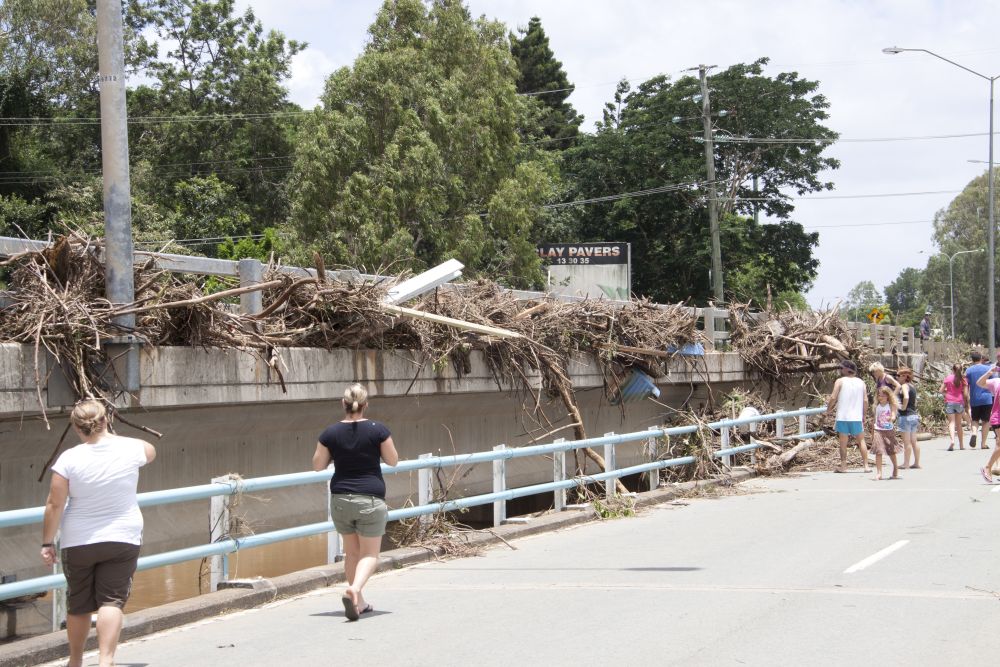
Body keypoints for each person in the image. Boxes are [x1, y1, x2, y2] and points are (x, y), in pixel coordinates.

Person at [40, 399, 156, 667]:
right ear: (106, 421)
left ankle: (76, 661)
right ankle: (106, 661)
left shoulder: (68, 459)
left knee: (79, 604)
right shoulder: (130, 449)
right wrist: (111, 435)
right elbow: (151, 450)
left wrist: (47, 542)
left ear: (77, 428)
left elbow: (54, 504)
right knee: (112, 601)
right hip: (123, 536)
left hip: (79, 541)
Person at [312, 383, 398, 621]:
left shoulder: (330, 433)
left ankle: (358, 602)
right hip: (369, 498)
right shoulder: (378, 430)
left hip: (340, 499)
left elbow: (318, 465)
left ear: (343, 404)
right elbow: (393, 460)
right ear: (365, 405)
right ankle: (356, 589)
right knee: (370, 555)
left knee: (351, 554)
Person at [827, 359, 869, 473]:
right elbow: (865, 400)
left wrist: (828, 410)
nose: (840, 370)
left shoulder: (840, 381)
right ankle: (866, 466)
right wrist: (864, 414)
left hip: (843, 417)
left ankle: (844, 466)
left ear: (846, 369)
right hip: (856, 417)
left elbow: (833, 397)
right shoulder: (861, 382)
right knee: (861, 441)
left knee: (843, 443)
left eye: (841, 368)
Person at [975, 355, 1000, 483]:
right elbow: (979, 383)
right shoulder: (996, 382)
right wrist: (989, 372)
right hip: (998, 417)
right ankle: (987, 467)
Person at [870, 386, 902, 480]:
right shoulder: (877, 406)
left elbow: (893, 415)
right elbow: (874, 419)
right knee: (878, 451)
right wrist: (873, 432)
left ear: (888, 396)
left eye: (883, 396)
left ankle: (895, 469)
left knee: (891, 451)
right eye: (879, 395)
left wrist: (891, 418)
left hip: (888, 430)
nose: (881, 397)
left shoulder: (891, 405)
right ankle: (879, 473)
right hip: (878, 430)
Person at [965, 350, 994, 449]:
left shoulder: (968, 371)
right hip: (987, 398)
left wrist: (966, 398)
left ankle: (974, 433)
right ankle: (983, 443)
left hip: (974, 398)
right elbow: (993, 382)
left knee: (975, 419)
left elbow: (966, 385)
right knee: (986, 421)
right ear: (981, 358)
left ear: (972, 359)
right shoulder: (988, 368)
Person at [939, 363, 969, 451]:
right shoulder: (963, 379)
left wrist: (947, 394)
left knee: (951, 423)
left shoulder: (948, 378)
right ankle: (961, 445)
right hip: (959, 402)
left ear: (953, 370)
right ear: (961, 370)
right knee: (959, 424)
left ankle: (952, 441)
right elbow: (966, 394)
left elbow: (940, 390)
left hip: (949, 401)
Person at [895, 367, 921, 469]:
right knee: (914, 441)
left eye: (898, 375)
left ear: (905, 376)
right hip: (913, 415)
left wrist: (903, 407)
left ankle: (906, 463)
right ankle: (917, 463)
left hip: (905, 416)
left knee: (907, 442)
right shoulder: (912, 386)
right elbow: (914, 401)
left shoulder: (905, 386)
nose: (897, 378)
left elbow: (906, 397)